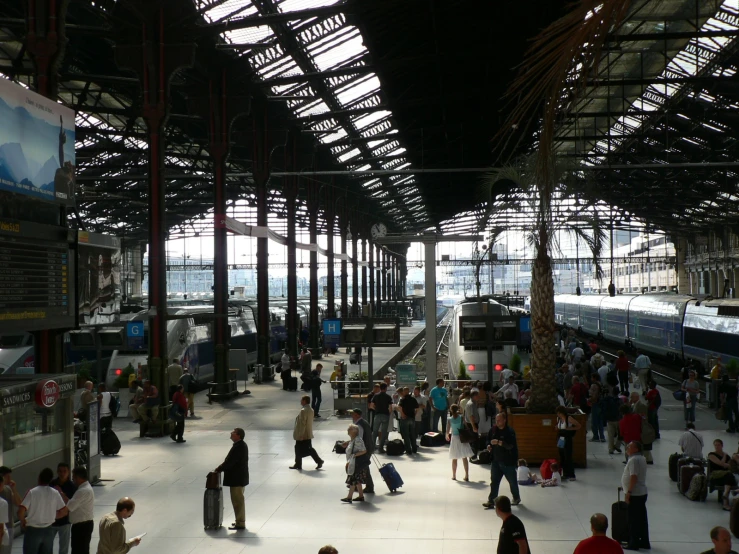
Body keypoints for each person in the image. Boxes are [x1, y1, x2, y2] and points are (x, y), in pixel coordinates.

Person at [18, 468, 67, 554]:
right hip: (48, 530)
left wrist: (23, 521)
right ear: (50, 480)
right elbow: (64, 511)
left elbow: (21, 511)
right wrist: (51, 516)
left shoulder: (32, 492)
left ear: (39, 477)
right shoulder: (55, 493)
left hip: (33, 530)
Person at [483, 413, 521, 509]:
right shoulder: (493, 430)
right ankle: (491, 500)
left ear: (504, 420)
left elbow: (510, 446)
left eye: (499, 420)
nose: (497, 422)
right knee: (494, 481)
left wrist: (499, 442)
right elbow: (488, 440)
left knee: (512, 481)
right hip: (496, 461)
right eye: (496, 420)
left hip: (508, 462)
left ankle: (516, 498)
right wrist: (488, 445)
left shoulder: (510, 431)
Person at [215, 428, 249, 530]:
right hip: (239, 478)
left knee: (238, 501)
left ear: (238, 435)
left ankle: (240, 522)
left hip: (237, 478)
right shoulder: (240, 445)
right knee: (238, 500)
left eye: (233, 432)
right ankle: (239, 520)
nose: (231, 433)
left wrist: (219, 469)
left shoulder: (239, 447)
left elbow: (230, 462)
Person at [622, 441, 649, 551]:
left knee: (633, 519)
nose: (627, 448)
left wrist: (629, 491)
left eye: (630, 447)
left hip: (635, 494)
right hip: (641, 493)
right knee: (641, 519)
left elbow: (634, 476)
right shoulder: (641, 458)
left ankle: (634, 543)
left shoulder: (633, 460)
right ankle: (644, 541)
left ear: (636, 449)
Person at [290, 396, 324, 470]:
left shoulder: (303, 410)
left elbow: (303, 424)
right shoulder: (311, 410)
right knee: (302, 448)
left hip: (303, 434)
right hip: (308, 433)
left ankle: (318, 461)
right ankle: (298, 463)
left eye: (301, 400)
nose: (300, 401)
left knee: (304, 449)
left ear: (304, 401)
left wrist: (301, 435)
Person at [50, 463, 77, 554]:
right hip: (51, 520)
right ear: (57, 472)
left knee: (64, 547)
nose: (62, 474)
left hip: (65, 521)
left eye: (64, 471)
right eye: (60, 471)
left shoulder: (72, 486)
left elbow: (72, 503)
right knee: (47, 545)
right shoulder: (52, 484)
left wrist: (61, 493)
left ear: (68, 472)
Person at [66, 467, 94, 554]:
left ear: (78, 477)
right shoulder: (86, 488)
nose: (73, 480)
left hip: (81, 527)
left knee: (79, 550)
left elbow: (69, 507)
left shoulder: (82, 491)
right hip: (84, 525)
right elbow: (72, 503)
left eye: (74, 477)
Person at [348, 409, 375, 493]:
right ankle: (355, 484)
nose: (351, 415)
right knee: (361, 467)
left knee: (363, 466)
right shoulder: (364, 422)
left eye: (353, 414)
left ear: (357, 415)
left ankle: (369, 486)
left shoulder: (359, 425)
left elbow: (359, 439)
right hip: (368, 447)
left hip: (364, 450)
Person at [341, 424, 368, 504]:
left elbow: (364, 450)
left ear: (354, 431)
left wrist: (354, 455)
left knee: (353, 480)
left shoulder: (358, 440)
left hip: (356, 463)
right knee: (357, 481)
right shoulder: (354, 439)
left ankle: (349, 497)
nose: (348, 430)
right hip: (354, 463)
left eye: (349, 429)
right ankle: (361, 496)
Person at [708, 439, 737, 511]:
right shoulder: (711, 455)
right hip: (716, 475)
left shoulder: (727, 456)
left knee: (729, 477)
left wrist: (725, 463)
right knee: (729, 476)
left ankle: (725, 498)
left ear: (722, 446)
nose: (717, 447)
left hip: (726, 477)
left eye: (718, 445)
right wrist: (724, 456)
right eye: (715, 445)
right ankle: (725, 500)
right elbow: (721, 464)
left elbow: (731, 466)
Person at [447, 404, 473, 481]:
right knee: (464, 457)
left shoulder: (449, 419)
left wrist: (447, 435)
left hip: (454, 438)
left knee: (454, 458)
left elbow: (447, 431)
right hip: (462, 438)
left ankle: (454, 475)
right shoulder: (461, 418)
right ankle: (466, 475)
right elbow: (467, 427)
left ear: (451, 410)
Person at [556, 405, 581, 480]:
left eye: (558, 413)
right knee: (562, 457)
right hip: (561, 439)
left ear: (561, 412)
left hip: (567, 438)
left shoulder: (569, 418)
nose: (558, 414)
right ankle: (565, 474)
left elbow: (579, 425)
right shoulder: (558, 419)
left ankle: (572, 474)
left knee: (568, 457)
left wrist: (570, 428)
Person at [0, 467, 21, 554]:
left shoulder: (8, 489)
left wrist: (14, 489)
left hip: (9, 525)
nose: (9, 479)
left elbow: (19, 502)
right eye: (7, 476)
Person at [370, 383, 393, 453]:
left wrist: (376, 409)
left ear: (380, 388)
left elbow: (371, 405)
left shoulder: (375, 396)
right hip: (385, 415)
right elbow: (390, 408)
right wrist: (388, 413)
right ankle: (381, 448)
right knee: (383, 433)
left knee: (375, 431)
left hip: (377, 415)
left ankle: (372, 447)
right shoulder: (388, 397)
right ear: (386, 388)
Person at [397, 387, 419, 455]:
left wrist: (403, 414)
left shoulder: (402, 399)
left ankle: (408, 450)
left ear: (403, 392)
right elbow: (417, 408)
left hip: (405, 418)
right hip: (412, 418)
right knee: (412, 434)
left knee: (406, 435)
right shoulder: (413, 399)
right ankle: (414, 449)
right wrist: (414, 414)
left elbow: (399, 407)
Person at [603, 387, 623, 455]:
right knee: (621, 434)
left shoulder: (608, 399)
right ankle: (617, 445)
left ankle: (611, 449)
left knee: (610, 435)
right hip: (618, 420)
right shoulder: (620, 400)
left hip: (610, 420)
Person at [463, 390, 480, 459]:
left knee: (473, 440)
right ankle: (473, 456)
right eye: (477, 396)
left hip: (473, 424)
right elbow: (470, 416)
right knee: (474, 441)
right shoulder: (470, 404)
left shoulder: (473, 403)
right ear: (474, 396)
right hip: (472, 424)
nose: (478, 397)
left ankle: (472, 455)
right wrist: (474, 427)